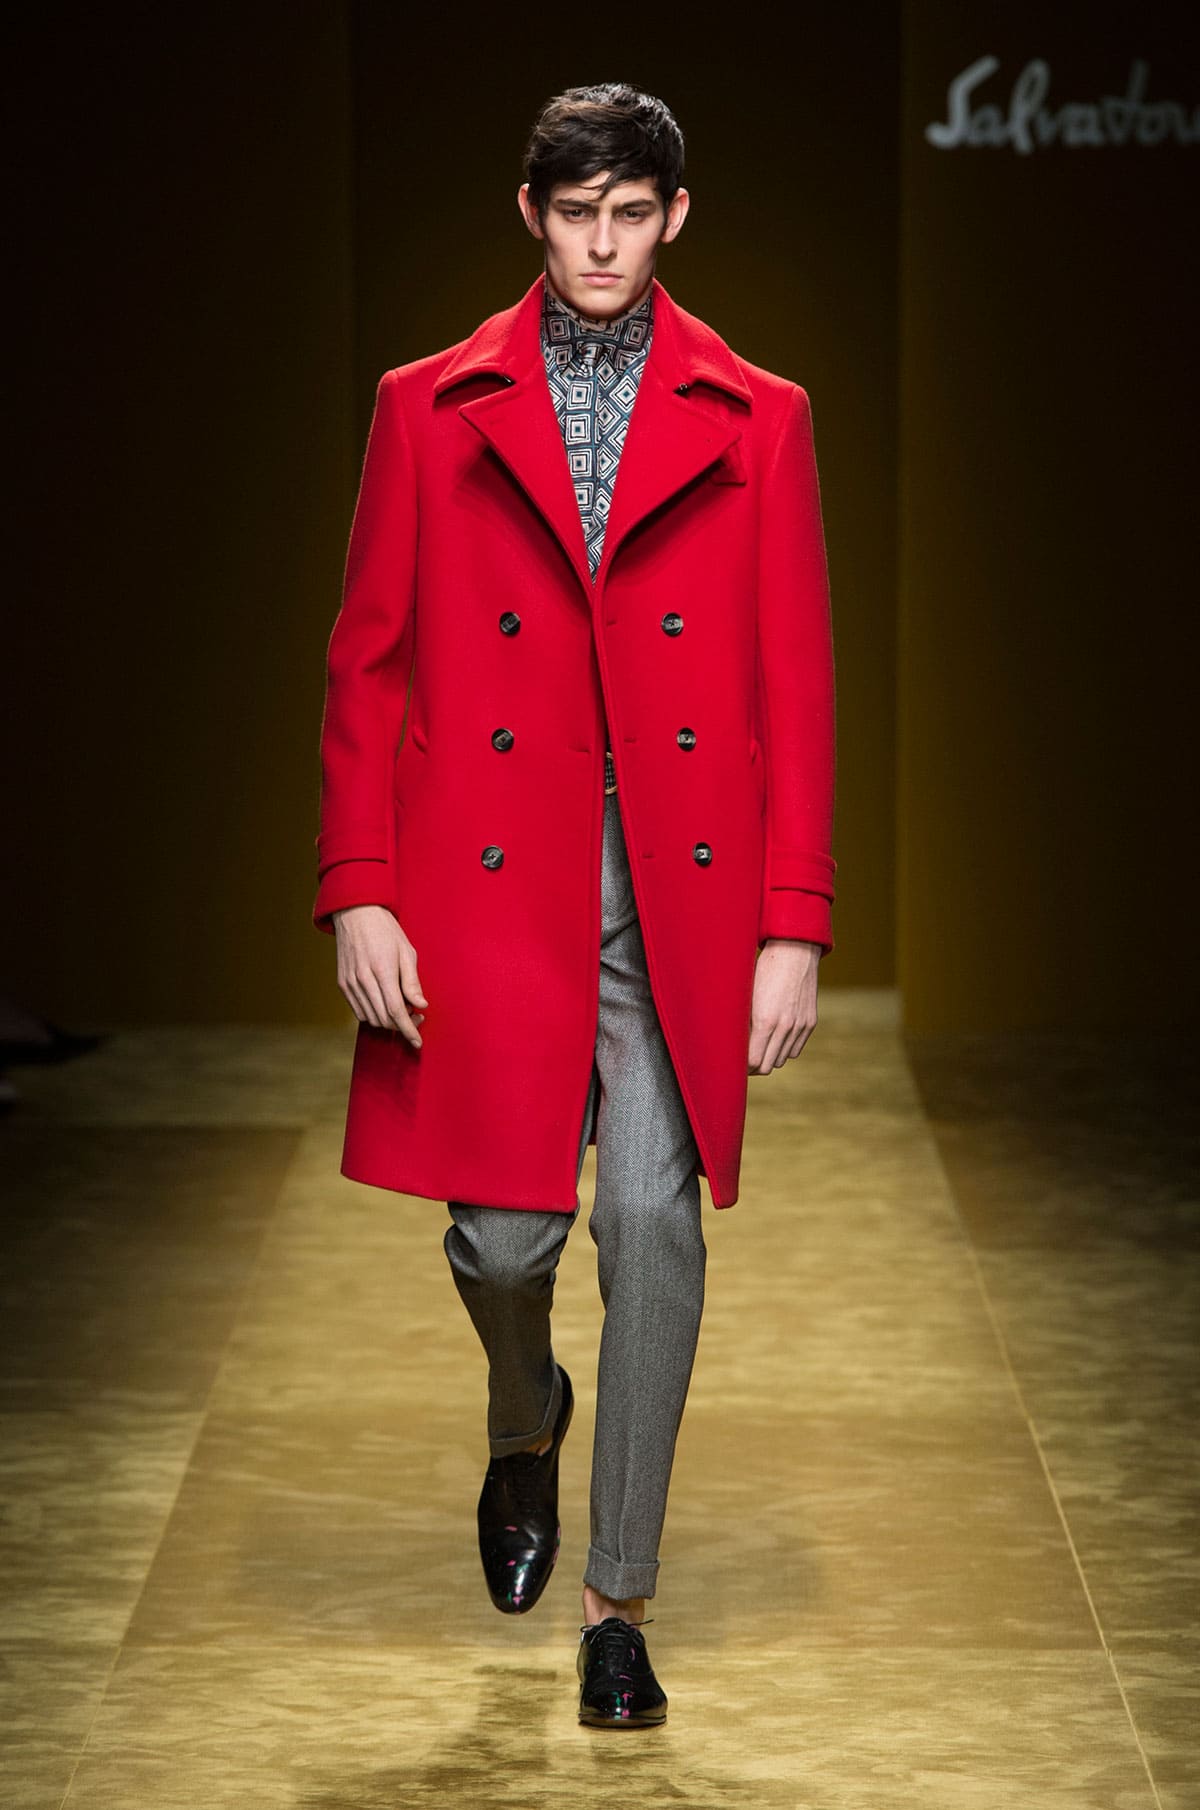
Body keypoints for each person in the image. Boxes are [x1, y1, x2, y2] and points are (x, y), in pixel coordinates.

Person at [312, 81, 837, 1728]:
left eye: (630, 214)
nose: (602, 246)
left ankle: (619, 1603)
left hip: (675, 880)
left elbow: (798, 682)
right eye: (575, 214)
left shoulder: (762, 416)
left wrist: (793, 921)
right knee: (502, 1236)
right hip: (491, 873)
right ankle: (524, 1405)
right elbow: (365, 658)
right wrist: (359, 887)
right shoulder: (426, 405)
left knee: (654, 1223)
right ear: (530, 216)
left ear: (673, 217)